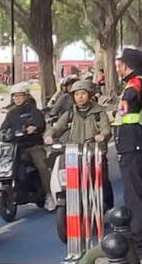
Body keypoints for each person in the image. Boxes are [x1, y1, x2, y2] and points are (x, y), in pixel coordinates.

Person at [113, 47, 142, 258]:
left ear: (125, 65)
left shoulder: (134, 83)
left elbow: (127, 105)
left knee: (136, 197)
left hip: (133, 145)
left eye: (119, 64)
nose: (117, 68)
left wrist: (120, 106)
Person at [46, 79, 113, 211]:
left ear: (90, 94)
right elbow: (58, 127)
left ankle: (108, 206)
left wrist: (102, 135)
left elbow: (106, 128)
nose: (80, 97)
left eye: (83, 93)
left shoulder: (99, 112)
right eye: (77, 94)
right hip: (74, 152)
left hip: (94, 152)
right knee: (68, 179)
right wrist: (49, 135)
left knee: (102, 180)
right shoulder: (70, 113)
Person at [1, 84, 53, 210]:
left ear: (26, 96)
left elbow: (40, 124)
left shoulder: (34, 111)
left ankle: (49, 195)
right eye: (15, 96)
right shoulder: (11, 113)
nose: (17, 99)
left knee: (42, 166)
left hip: (32, 145)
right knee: (4, 163)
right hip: (15, 147)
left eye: (20, 96)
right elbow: (4, 127)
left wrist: (34, 128)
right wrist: (1, 133)